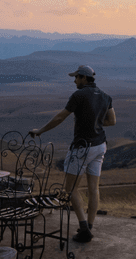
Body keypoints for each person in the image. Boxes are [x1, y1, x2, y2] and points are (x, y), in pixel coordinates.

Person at [29, 65, 115, 243]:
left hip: (82, 147)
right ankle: (89, 226)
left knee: (70, 188)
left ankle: (83, 228)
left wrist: (41, 131)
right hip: (99, 145)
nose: (74, 81)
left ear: (84, 78)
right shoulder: (106, 96)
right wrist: (96, 123)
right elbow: (112, 121)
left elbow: (60, 117)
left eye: (76, 77)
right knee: (94, 188)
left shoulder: (79, 95)